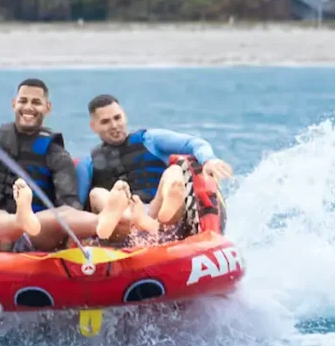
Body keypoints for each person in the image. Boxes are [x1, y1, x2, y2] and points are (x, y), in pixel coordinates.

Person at [0, 78, 108, 252]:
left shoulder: (57, 155)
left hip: (35, 231)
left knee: (61, 215)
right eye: (23, 101)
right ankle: (19, 220)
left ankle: (105, 222)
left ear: (48, 108)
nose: (29, 107)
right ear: (14, 103)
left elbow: (70, 205)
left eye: (36, 102)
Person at [76, 94, 234, 241]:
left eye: (117, 118)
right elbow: (75, 209)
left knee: (174, 172)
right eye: (105, 121)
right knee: (97, 194)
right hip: (122, 223)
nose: (114, 125)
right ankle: (128, 219)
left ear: (125, 116)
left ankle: (158, 218)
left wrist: (208, 160)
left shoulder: (150, 140)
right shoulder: (88, 163)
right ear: (93, 126)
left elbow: (193, 143)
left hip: (157, 211)